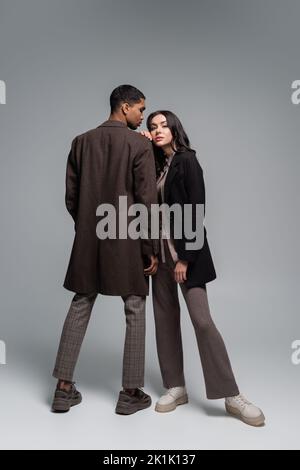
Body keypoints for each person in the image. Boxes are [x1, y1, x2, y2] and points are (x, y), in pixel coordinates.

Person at [140, 110, 265, 427]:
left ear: (174, 128)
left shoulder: (187, 161)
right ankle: (176, 387)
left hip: (185, 258)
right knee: (165, 320)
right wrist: (153, 253)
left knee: (202, 321)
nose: (157, 131)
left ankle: (232, 395)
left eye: (163, 126)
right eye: (151, 127)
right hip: (160, 258)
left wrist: (186, 258)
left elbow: (197, 208)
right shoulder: (155, 165)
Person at [51, 85, 159, 415]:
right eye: (140, 109)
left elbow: (71, 198)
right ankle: (129, 393)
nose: (143, 116)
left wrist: (87, 226)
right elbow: (146, 201)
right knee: (135, 307)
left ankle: (63, 389)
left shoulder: (81, 142)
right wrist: (149, 247)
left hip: (89, 238)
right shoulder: (138, 145)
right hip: (126, 238)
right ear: (124, 107)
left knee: (81, 302)